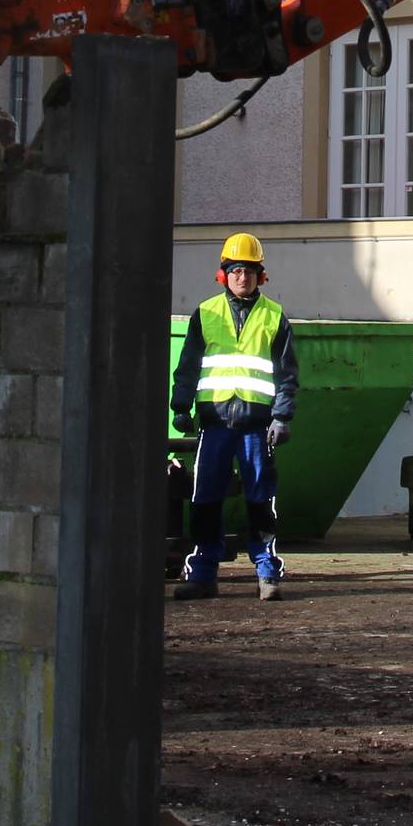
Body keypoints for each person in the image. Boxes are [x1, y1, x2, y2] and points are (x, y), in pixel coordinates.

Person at [170, 232, 300, 601]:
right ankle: (202, 574)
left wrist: (282, 417)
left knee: (260, 500)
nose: (243, 277)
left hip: (258, 427)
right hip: (215, 424)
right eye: (236, 270)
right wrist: (181, 407)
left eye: (250, 271)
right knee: (206, 500)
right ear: (223, 274)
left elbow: (287, 375)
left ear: (262, 276)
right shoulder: (205, 313)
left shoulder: (274, 317)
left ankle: (266, 571)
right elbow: (188, 365)